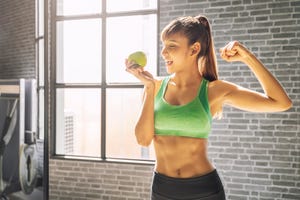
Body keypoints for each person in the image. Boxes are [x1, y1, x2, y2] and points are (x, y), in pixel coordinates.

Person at [125, 15, 292, 200]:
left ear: (194, 49)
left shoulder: (214, 90)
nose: (164, 52)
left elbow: (281, 103)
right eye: (163, 45)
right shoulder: (153, 86)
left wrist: (247, 57)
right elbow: (143, 140)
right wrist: (148, 88)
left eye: (171, 46)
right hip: (163, 189)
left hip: (204, 190)